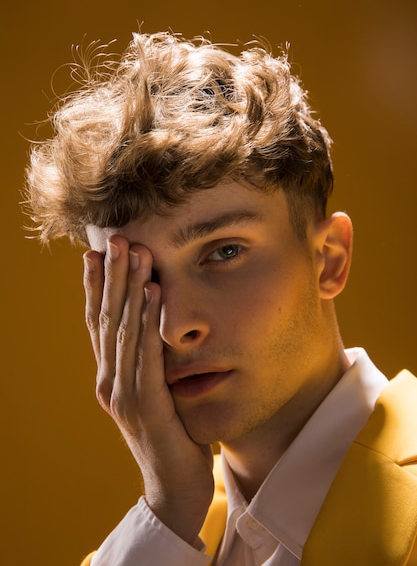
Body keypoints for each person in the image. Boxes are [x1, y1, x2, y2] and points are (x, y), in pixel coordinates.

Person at [25, 31, 417, 565]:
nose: (174, 326)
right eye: (139, 279)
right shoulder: (162, 534)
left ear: (329, 259)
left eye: (224, 252)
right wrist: (166, 508)